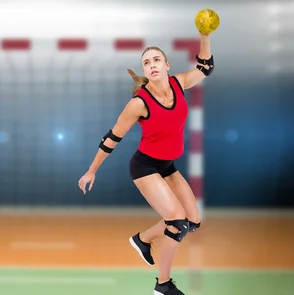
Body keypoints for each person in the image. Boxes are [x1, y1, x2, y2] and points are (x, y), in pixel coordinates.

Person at [77, 30, 214, 295]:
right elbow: (111, 138)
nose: (151, 65)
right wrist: (91, 171)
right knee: (176, 222)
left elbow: (205, 68)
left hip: (167, 165)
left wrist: (205, 36)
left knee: (193, 222)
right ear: (146, 70)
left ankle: (142, 239)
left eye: (156, 60)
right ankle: (163, 286)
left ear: (166, 65)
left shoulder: (179, 83)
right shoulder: (139, 103)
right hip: (145, 167)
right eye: (146, 63)